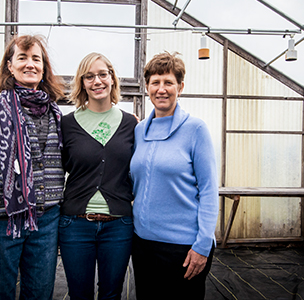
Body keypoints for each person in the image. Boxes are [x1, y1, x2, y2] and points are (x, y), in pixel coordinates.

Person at [0, 34, 65, 300]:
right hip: (3, 222)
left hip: (45, 222)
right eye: (22, 57)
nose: (30, 64)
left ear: (44, 67)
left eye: (36, 58)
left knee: (39, 293)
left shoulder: (54, 112)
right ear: (10, 66)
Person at [130, 51, 219, 300]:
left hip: (183, 248)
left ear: (180, 86)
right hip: (143, 243)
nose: (161, 89)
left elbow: (210, 191)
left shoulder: (196, 129)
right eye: (155, 82)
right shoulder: (139, 131)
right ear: (147, 87)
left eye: (168, 82)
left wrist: (202, 245)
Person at [59, 52, 137, 300]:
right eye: (89, 76)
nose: (97, 81)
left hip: (119, 226)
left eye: (103, 74)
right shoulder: (66, 124)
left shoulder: (132, 125)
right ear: (82, 83)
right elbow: (55, 170)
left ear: (112, 78)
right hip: (75, 224)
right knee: (79, 295)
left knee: (111, 294)